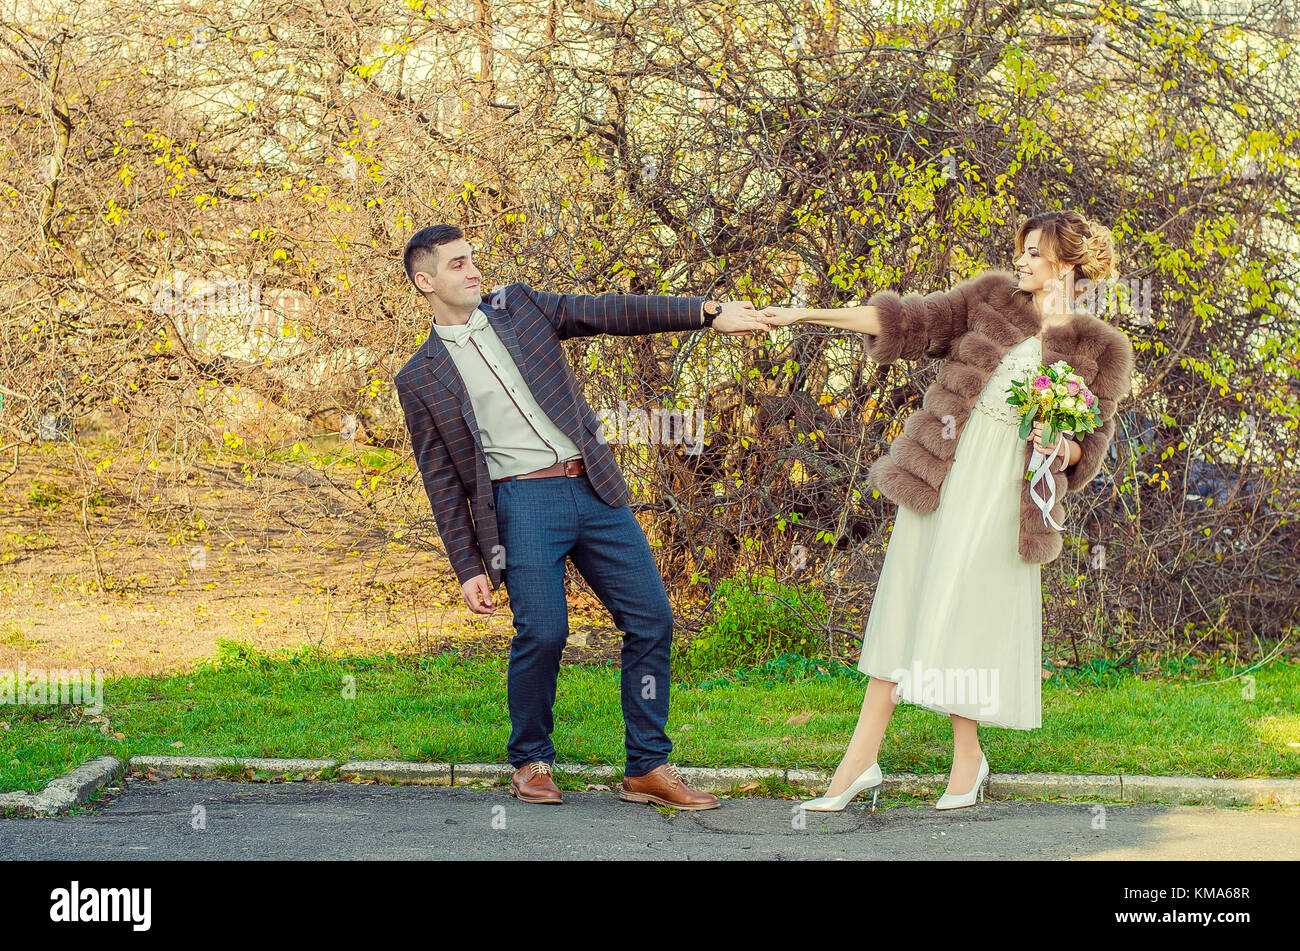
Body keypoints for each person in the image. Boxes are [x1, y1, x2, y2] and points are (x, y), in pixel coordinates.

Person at [757, 211, 1135, 811]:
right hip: (944, 478)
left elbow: (1087, 453)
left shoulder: (1101, 349)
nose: (1021, 261)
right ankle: (858, 765)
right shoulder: (989, 301)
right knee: (905, 602)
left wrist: (1058, 444)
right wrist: (804, 313)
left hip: (1004, 499)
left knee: (970, 616)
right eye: (1022, 251)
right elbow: (903, 321)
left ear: (1066, 262)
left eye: (1034, 253)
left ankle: (967, 760)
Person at [394, 224, 768, 810]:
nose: (474, 272)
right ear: (426, 282)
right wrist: (466, 564)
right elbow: (440, 478)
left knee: (652, 621)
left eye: (474, 260)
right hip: (521, 506)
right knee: (544, 633)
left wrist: (705, 312)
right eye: (458, 264)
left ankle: (648, 768)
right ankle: (531, 760)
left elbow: (608, 311)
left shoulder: (519, 308)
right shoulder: (419, 377)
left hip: (592, 488)